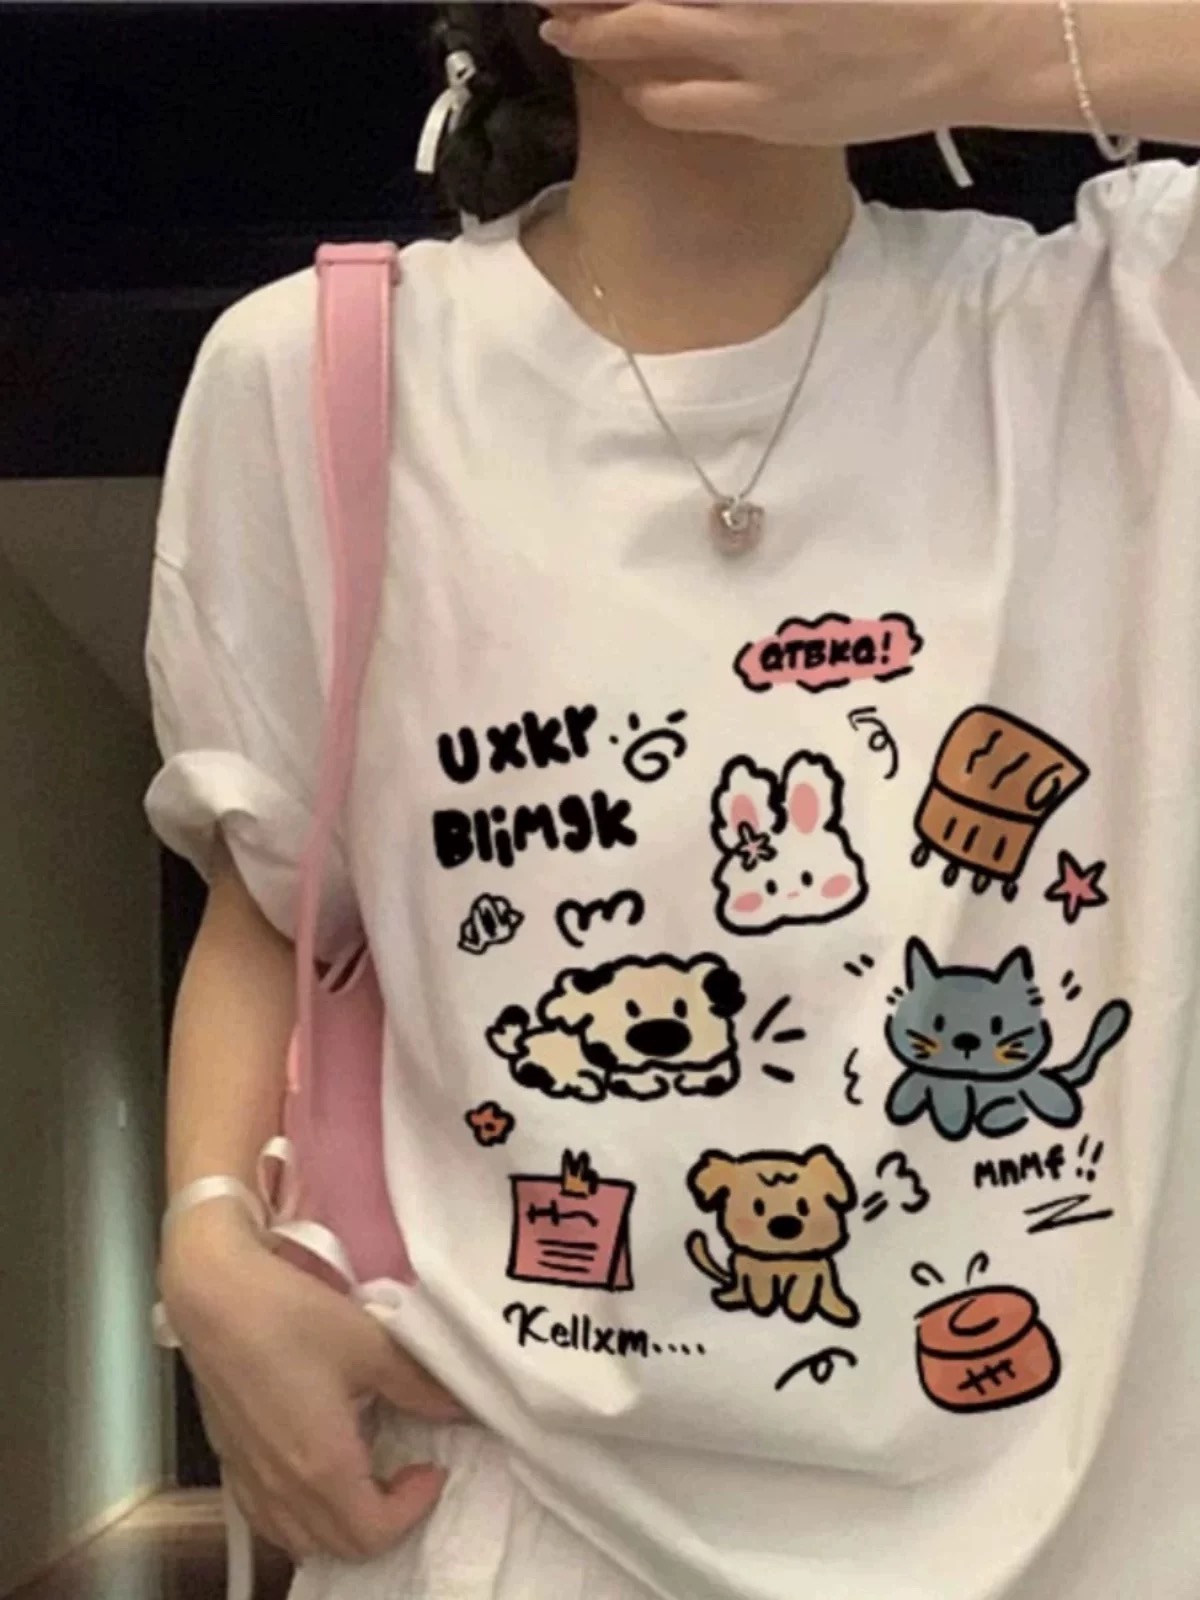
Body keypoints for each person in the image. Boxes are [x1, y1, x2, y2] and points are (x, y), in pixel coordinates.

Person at [146, 5, 1200, 1599]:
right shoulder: (317, 372)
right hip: (510, 1515)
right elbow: (278, 891)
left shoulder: (1120, 332)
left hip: (1079, 1532)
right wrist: (206, 1230)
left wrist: (982, 51)